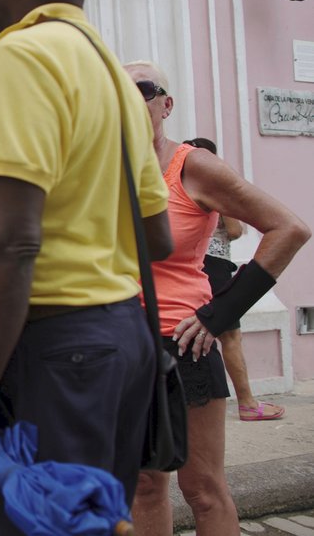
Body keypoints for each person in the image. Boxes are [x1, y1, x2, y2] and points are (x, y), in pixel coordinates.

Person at [0, 0, 174, 535]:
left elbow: (13, 242)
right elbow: (158, 235)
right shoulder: (114, 77)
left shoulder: (19, 58)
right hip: (119, 342)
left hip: (54, 354)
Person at [125, 62, 309, 535]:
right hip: (120, 346)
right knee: (144, 484)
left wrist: (219, 314)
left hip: (181, 345)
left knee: (202, 487)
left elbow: (289, 228)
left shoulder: (192, 166)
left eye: (141, 89)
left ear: (165, 104)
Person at [184, 138, 286, 422]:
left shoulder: (179, 180)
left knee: (194, 331)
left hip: (189, 266)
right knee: (229, 336)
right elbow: (236, 230)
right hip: (214, 264)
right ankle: (247, 403)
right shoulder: (211, 184)